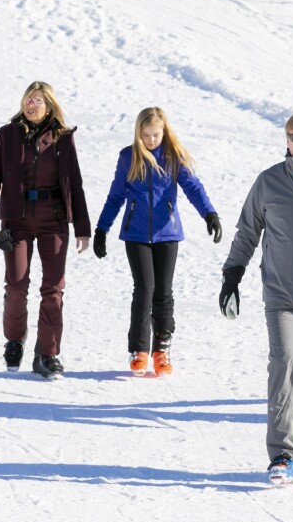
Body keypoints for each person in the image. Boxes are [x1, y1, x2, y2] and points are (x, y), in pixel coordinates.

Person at [220, 111, 293, 487]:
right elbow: (247, 231)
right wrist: (232, 274)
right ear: (286, 140)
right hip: (280, 294)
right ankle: (283, 454)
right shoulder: (268, 182)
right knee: (283, 367)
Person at [94, 107, 221, 376]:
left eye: (156, 135)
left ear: (164, 132)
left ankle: (161, 350)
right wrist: (101, 229)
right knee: (144, 289)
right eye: (146, 135)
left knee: (163, 291)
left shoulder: (174, 157)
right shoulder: (128, 157)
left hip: (167, 234)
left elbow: (193, 188)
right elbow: (116, 195)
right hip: (136, 234)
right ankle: (138, 350)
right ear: (138, 132)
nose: (151, 140)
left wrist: (210, 214)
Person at [0, 81, 91, 380]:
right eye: (28, 98)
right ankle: (14, 340)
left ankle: (48, 354)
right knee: (16, 284)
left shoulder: (63, 139)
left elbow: (74, 183)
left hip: (54, 219)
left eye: (37, 100)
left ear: (49, 105)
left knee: (53, 289)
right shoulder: (8, 135)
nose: (31, 104)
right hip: (17, 220)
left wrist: (82, 227)